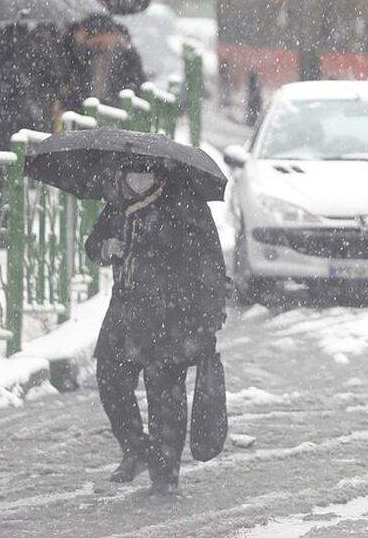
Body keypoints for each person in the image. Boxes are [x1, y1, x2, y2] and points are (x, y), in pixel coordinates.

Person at [85, 164, 228, 495]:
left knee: (165, 394)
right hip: (124, 311)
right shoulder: (119, 204)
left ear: (159, 175)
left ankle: (166, 473)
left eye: (144, 175)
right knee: (110, 380)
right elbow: (93, 243)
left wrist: (208, 312)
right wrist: (105, 247)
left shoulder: (184, 204)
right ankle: (137, 449)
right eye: (131, 175)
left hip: (171, 315)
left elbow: (209, 260)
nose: (136, 181)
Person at [62, 14, 146, 110]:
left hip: (115, 111)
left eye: (96, 35)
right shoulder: (84, 57)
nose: (95, 41)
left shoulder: (127, 57)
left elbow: (135, 84)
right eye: (90, 37)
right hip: (89, 109)